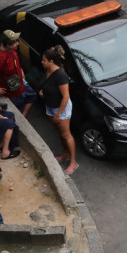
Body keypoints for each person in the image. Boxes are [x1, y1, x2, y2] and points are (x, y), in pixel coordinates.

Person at [38, 46, 77, 175]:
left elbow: (66, 96)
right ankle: (65, 154)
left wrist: (58, 114)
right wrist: (43, 91)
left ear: (51, 61)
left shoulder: (60, 75)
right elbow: (46, 84)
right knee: (60, 133)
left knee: (66, 135)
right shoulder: (47, 70)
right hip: (50, 106)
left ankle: (73, 161)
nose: (42, 62)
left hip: (61, 109)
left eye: (44, 60)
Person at [0, 29, 37, 117]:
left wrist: (20, 69)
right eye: (15, 42)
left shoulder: (11, 49)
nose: (18, 43)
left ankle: (23, 116)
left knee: (32, 95)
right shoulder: (1, 58)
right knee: (17, 110)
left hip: (21, 84)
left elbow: (14, 60)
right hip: (12, 93)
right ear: (8, 45)